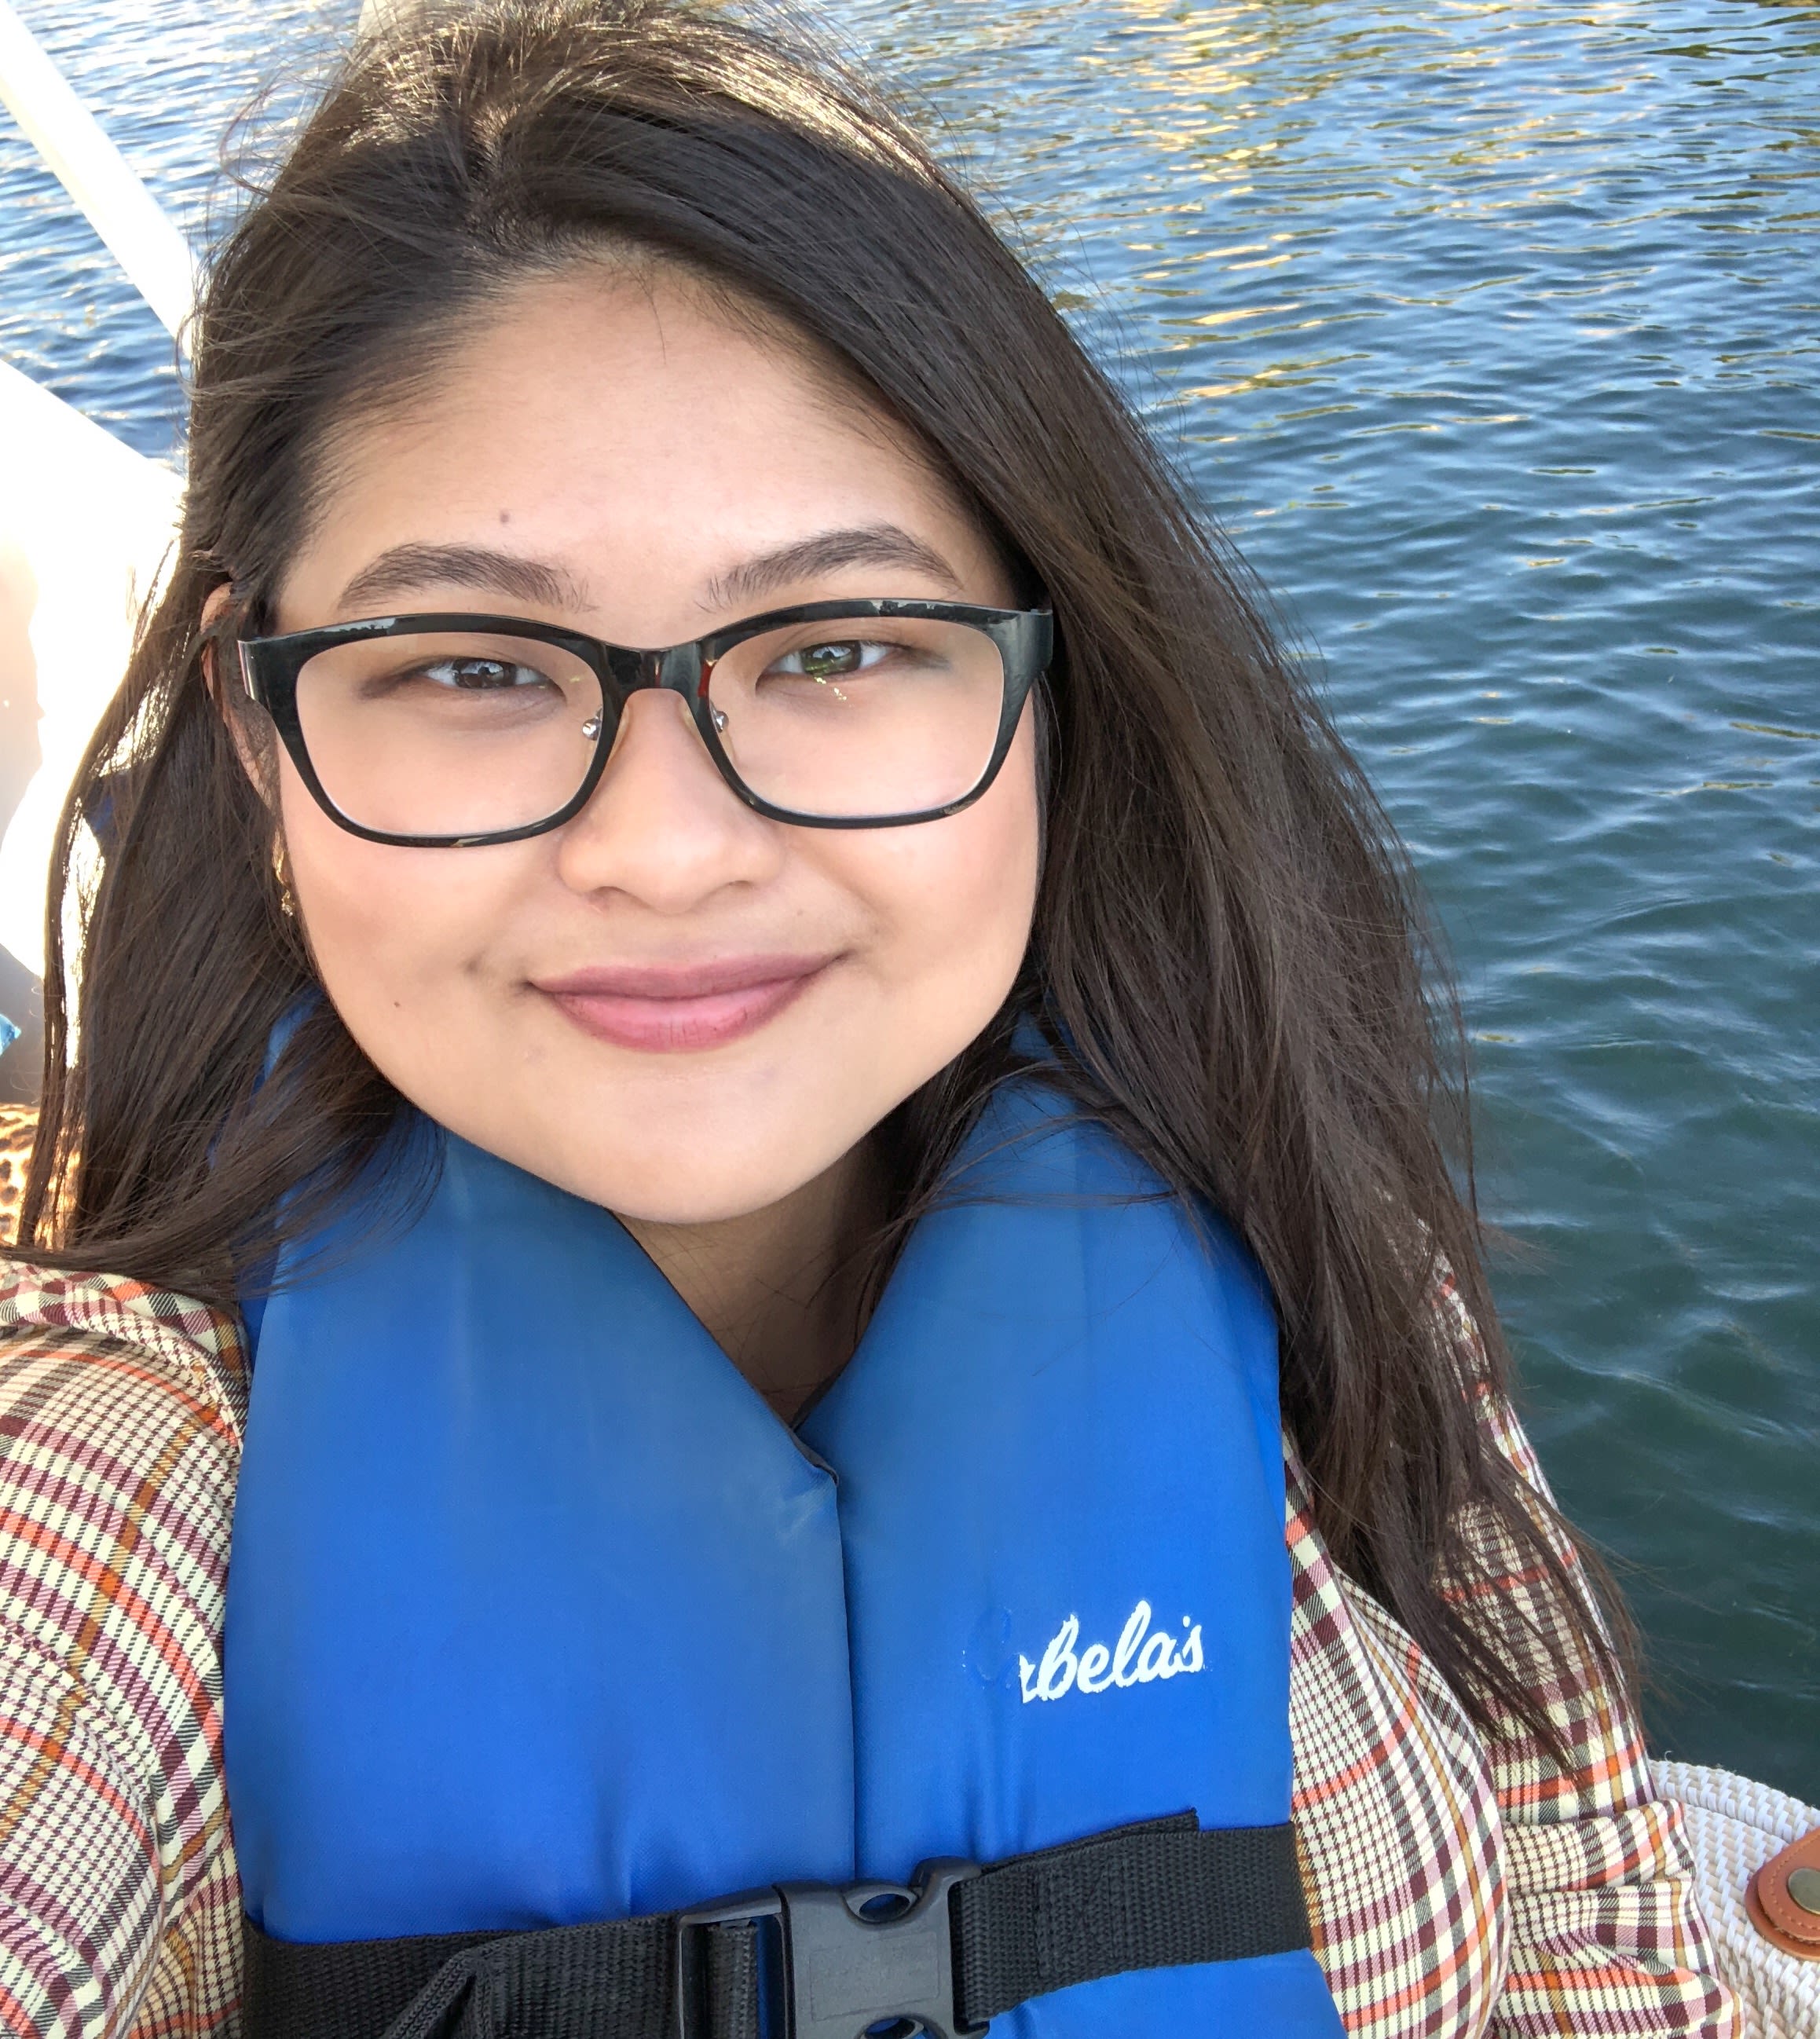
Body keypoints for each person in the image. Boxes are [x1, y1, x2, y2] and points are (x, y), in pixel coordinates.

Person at [0, 3, 1738, 2034]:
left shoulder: (1304, 1228)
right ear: (253, 726)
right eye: (471, 666)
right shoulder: (113, 1489)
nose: (665, 849)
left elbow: (1608, 1928)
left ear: (1052, 688)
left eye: (836, 645)